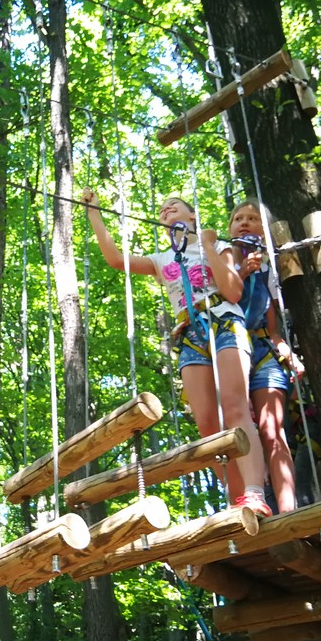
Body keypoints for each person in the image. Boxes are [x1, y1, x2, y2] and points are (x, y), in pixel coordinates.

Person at [81, 189, 270, 516]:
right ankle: (237, 498)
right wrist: (93, 212)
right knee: (207, 424)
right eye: (163, 208)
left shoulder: (219, 246)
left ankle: (255, 492)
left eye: (176, 205)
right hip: (190, 334)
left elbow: (233, 291)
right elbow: (115, 259)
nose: (167, 207)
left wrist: (209, 245)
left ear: (192, 216)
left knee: (236, 408)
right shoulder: (161, 259)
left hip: (225, 321)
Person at [229, 200, 304, 514]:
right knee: (237, 430)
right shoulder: (218, 262)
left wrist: (284, 348)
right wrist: (241, 274)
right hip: (228, 351)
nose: (244, 222)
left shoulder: (268, 269)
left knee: (273, 430)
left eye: (252, 219)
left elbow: (270, 322)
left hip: (262, 351)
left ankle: (289, 509)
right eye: (238, 218)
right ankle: (246, 505)